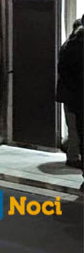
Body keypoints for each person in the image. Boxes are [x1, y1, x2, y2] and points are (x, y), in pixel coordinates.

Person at [57, 16, 83, 177]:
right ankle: (73, 157)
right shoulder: (73, 47)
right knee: (75, 129)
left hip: (71, 97)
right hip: (74, 97)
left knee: (74, 128)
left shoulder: (68, 46)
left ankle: (73, 154)